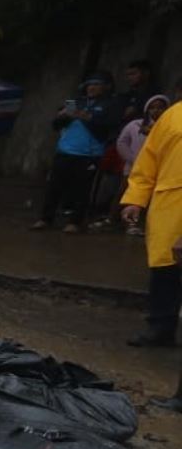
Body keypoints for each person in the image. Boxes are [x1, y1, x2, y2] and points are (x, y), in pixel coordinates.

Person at [120, 90, 182, 348]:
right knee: (165, 269)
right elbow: (148, 162)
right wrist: (136, 199)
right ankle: (161, 326)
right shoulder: (172, 117)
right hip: (170, 204)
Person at [35, 73, 118, 232]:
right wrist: (63, 116)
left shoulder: (110, 104)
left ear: (105, 87)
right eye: (89, 84)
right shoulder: (74, 101)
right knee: (54, 187)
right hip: (65, 150)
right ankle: (45, 219)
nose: (91, 87)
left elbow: (108, 126)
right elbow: (56, 125)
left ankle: (74, 222)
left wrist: (86, 117)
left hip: (89, 154)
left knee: (82, 190)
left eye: (96, 84)